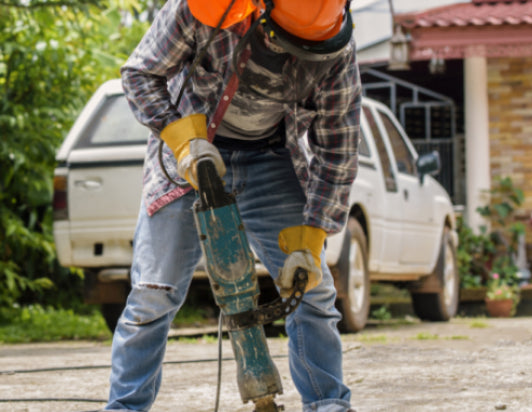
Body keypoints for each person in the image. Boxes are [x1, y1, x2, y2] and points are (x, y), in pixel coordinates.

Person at [105, 0, 361, 410]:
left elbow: (338, 150)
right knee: (155, 293)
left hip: (270, 159)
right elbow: (140, 74)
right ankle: (125, 407)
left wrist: (311, 241)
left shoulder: (336, 50)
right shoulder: (207, 10)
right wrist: (184, 142)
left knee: (311, 291)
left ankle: (328, 403)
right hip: (189, 153)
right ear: (260, 15)